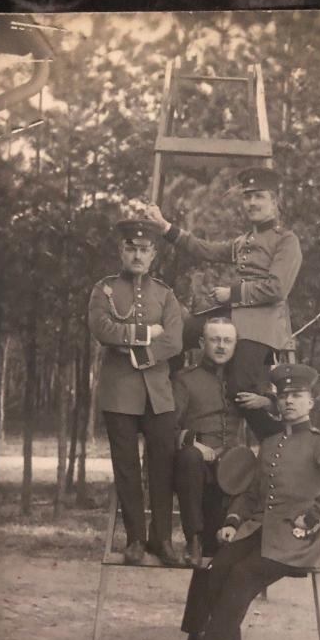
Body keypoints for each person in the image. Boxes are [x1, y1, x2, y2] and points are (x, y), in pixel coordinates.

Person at [167, 363, 320, 640]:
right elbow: (252, 493)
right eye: (284, 396)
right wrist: (233, 522)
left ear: (311, 403)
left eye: (297, 396)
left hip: (295, 540)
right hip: (259, 532)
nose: (290, 402)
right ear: (277, 402)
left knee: (241, 574)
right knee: (218, 567)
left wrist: (312, 516)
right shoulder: (269, 444)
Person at [142, 167, 302, 439]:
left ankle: (280, 443)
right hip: (232, 318)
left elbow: (278, 288)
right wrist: (166, 227)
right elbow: (204, 248)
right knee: (177, 334)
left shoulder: (286, 240)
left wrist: (233, 293)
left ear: (274, 201)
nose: (251, 202)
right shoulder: (244, 241)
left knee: (240, 389)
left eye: (259, 196)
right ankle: (166, 409)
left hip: (262, 325)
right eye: (248, 197)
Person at [173, 316, 279, 640]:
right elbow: (164, 427)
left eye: (227, 341)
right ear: (203, 343)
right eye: (214, 339)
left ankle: (201, 630)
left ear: (235, 347)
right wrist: (191, 441)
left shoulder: (241, 386)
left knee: (220, 553)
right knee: (205, 544)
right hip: (193, 473)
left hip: (231, 475)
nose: (220, 346)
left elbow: (283, 417)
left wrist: (268, 402)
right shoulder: (185, 380)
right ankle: (191, 538)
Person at [88, 219, 183, 566]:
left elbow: (175, 339)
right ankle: (135, 540)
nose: (138, 255)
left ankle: (162, 539)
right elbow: (101, 327)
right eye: (131, 248)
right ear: (121, 251)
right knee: (126, 467)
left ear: (154, 253)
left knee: (163, 466)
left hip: (158, 393)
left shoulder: (165, 293)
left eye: (144, 249)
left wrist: (138, 350)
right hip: (120, 393)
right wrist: (146, 333)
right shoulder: (105, 289)